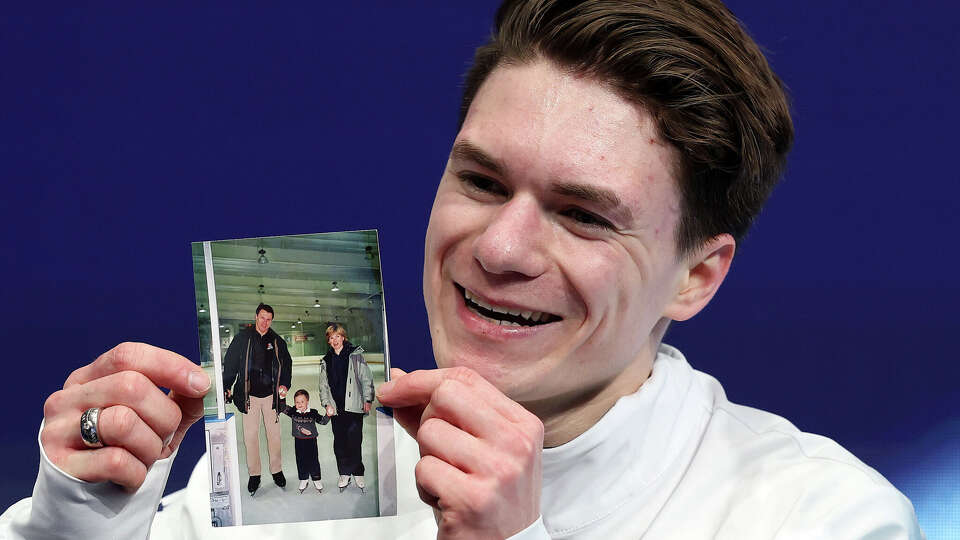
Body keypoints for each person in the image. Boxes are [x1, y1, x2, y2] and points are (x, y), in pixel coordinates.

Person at [0, 1, 924, 538]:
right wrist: (79, 520)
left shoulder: (823, 518)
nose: (500, 249)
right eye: (481, 180)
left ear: (698, 277)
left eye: (582, 214)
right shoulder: (289, 482)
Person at [221, 303, 293, 495]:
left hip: (271, 396)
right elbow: (231, 364)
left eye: (269, 319)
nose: (265, 322)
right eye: (262, 317)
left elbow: (286, 365)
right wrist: (227, 385)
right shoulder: (242, 339)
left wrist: (284, 385)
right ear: (256, 317)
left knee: (274, 436)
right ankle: (255, 475)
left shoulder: (277, 341)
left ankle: (277, 471)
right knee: (250, 437)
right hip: (249, 396)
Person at [316, 323, 374, 493]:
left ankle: (358, 472)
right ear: (328, 340)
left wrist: (368, 398)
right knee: (340, 443)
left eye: (338, 336)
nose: (335, 340)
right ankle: (344, 473)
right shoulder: (326, 360)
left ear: (343, 337)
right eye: (331, 337)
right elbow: (323, 386)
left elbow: (366, 378)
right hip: (336, 409)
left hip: (354, 407)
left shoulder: (355, 355)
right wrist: (327, 403)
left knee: (354, 441)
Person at [279, 389, 330, 494]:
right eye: (297, 402)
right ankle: (304, 478)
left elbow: (323, 421)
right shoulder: (293, 412)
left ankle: (316, 479)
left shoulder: (313, 413)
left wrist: (328, 415)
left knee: (313, 460)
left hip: (311, 441)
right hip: (299, 441)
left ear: (307, 401)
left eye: (302, 401)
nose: (300, 404)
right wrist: (282, 397)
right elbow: (282, 407)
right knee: (301, 460)